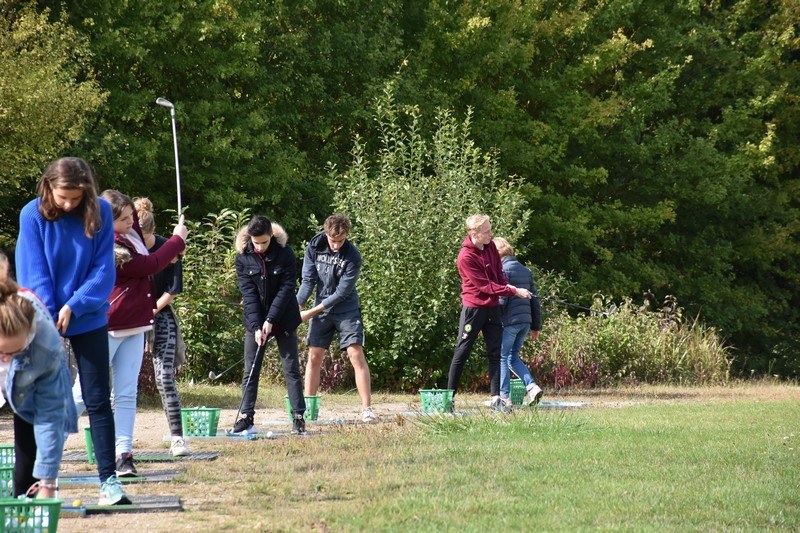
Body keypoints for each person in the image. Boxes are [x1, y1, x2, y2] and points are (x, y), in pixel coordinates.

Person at [15, 157, 130, 504]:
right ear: (48, 186)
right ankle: (26, 489)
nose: (68, 205)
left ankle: (109, 481)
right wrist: (50, 314)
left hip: (87, 314)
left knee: (98, 398)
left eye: (76, 199)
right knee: (31, 397)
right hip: (41, 315)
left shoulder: (101, 212)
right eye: (62, 197)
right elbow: (34, 271)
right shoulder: (32, 214)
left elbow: (103, 269)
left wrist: (74, 305)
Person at [73, 190, 187, 477]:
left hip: (135, 325)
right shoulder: (109, 246)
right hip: (106, 327)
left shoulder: (130, 234)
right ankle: (44, 444)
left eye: (130, 217)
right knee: (83, 393)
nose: (129, 222)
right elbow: (149, 265)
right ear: (106, 221)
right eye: (123, 219)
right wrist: (176, 241)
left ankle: (123, 454)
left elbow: (140, 232)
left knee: (126, 394)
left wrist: (175, 240)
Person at [0, 252, 78, 498]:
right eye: (1, 353)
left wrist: (48, 482)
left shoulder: (45, 347)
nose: (6, 359)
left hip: (29, 390)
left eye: (15, 352)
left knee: (27, 468)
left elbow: (50, 416)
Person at [446, 215, 532, 412]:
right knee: (462, 351)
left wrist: (507, 286)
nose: (491, 234)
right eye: (487, 231)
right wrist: (513, 291)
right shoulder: (465, 257)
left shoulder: (491, 246)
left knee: (495, 352)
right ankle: (449, 397)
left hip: (493, 307)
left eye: (490, 230)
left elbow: (498, 275)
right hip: (474, 309)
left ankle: (496, 399)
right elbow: (485, 286)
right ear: (474, 233)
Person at [296, 214, 375, 423]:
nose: (336, 245)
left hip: (346, 309)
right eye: (333, 240)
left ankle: (367, 409)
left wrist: (310, 312)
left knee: (355, 354)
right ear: (326, 234)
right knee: (314, 356)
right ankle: (308, 409)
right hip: (321, 308)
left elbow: (341, 293)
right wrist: (297, 307)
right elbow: (308, 280)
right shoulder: (314, 246)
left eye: (341, 240)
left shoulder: (353, 256)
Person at [231, 215, 306, 435]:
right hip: (255, 320)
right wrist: (257, 325)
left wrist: (271, 320)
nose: (260, 247)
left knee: (291, 368)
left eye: (264, 242)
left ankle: (298, 416)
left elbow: (286, 289)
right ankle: (246, 417)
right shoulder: (243, 258)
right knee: (250, 369)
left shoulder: (285, 254)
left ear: (271, 236)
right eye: (256, 243)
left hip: (283, 317)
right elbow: (249, 294)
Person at [135, 197, 189, 456]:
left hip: (160, 314)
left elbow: (173, 289)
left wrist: (151, 310)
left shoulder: (170, 249)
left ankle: (177, 437)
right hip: (131, 318)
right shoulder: (126, 249)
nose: (140, 242)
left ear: (153, 231)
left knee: (164, 376)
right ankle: (117, 443)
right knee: (120, 382)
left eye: (144, 238)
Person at [494, 237, 544, 407]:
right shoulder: (525, 271)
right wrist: (535, 326)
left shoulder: (502, 270)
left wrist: (492, 321)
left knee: (502, 357)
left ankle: (504, 397)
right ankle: (532, 387)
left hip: (509, 322)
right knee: (512, 357)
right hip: (525, 322)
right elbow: (535, 300)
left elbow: (502, 300)